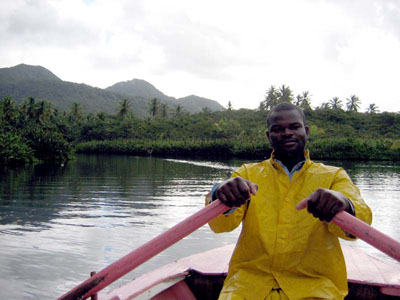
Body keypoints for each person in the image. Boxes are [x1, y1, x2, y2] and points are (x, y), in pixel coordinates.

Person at [206, 102, 372, 300]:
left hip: (315, 287)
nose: (286, 133)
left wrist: (344, 204)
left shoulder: (334, 176)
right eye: (278, 129)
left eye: (294, 127)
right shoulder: (246, 174)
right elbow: (220, 226)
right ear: (268, 136)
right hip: (247, 286)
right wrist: (220, 194)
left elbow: (359, 226)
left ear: (306, 131)